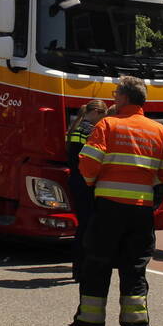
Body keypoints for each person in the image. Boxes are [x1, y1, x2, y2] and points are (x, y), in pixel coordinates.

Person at [67, 76, 163, 326]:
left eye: (117, 94)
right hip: (141, 211)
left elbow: (88, 162)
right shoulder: (158, 130)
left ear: (125, 98)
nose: (114, 98)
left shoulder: (108, 124)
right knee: (135, 270)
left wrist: (95, 183)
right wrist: (147, 181)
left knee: (97, 265)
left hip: (108, 209)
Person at [66, 99, 109, 281]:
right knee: (87, 226)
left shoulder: (76, 127)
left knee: (83, 224)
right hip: (85, 181)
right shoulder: (90, 130)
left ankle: (78, 267)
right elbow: (93, 157)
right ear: (98, 112)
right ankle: (81, 268)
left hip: (76, 179)